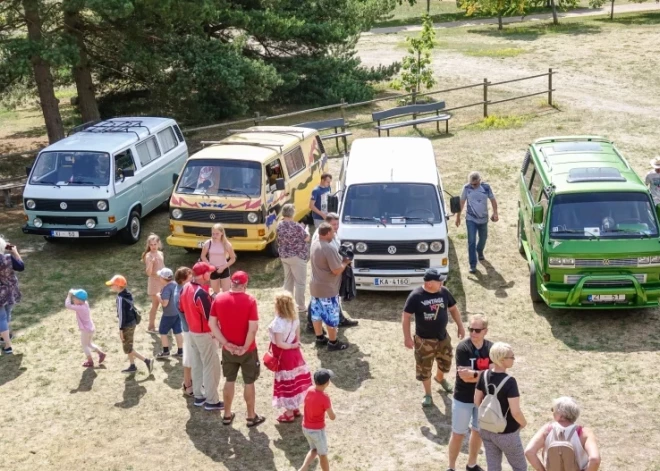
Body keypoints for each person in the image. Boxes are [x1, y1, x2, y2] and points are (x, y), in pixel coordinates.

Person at [209, 271, 266, 427]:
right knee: (249, 382)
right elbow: (253, 329)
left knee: (229, 380)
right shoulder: (250, 301)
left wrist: (226, 344)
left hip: (229, 350)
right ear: (245, 285)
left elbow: (212, 324)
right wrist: (245, 347)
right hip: (247, 350)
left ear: (231, 283)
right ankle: (250, 416)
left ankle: (227, 414)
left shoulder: (219, 298)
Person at [402, 268, 465, 407]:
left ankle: (440, 378)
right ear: (429, 284)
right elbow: (406, 316)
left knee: (446, 362)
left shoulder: (444, 292)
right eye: (439, 281)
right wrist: (407, 337)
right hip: (424, 341)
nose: (442, 282)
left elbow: (453, 308)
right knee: (424, 368)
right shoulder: (416, 296)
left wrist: (460, 326)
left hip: (443, 337)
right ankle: (428, 394)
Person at [447, 314, 493, 471]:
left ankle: (471, 464)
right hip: (463, 398)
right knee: (458, 434)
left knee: (478, 432)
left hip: (482, 399)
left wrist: (474, 374)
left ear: (485, 331)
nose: (473, 333)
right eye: (470, 329)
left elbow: (494, 375)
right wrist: (485, 373)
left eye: (477, 330)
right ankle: (451, 467)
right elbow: (464, 377)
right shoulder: (463, 347)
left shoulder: (491, 348)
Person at [474, 342, 527, 471]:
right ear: (502, 360)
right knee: (520, 467)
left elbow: (476, 401)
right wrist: (523, 423)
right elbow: (515, 412)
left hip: (486, 429)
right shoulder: (510, 382)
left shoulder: (484, 375)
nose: (513, 359)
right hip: (506, 433)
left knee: (493, 467)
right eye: (511, 357)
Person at [178, 262, 223, 410]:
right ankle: (212, 400)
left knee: (197, 363)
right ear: (203, 275)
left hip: (192, 332)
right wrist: (218, 335)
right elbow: (211, 317)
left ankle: (198, 396)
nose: (210, 274)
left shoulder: (185, 288)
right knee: (211, 366)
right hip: (204, 334)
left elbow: (181, 309)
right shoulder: (201, 293)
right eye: (208, 272)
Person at [307, 212, 358, 330]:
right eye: (333, 225)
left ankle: (339, 319)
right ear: (327, 225)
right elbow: (324, 256)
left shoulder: (332, 234)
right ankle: (312, 323)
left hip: (332, 272)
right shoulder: (321, 238)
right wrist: (344, 262)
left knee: (326, 298)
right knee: (320, 299)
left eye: (337, 224)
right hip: (326, 275)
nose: (336, 227)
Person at [268, 292, 312, 423]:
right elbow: (297, 335)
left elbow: (280, 343)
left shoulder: (278, 323)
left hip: (284, 354)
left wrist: (291, 347)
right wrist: (295, 345)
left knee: (287, 383)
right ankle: (295, 407)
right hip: (295, 353)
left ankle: (289, 413)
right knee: (296, 380)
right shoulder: (294, 318)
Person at [525, 397, 601, 471]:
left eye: (553, 410)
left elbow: (529, 452)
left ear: (560, 415)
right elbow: (595, 459)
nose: (552, 412)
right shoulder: (584, 432)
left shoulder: (547, 430)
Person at [309, 223, 351, 351]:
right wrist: (345, 262)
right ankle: (333, 343)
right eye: (332, 232)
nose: (334, 234)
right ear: (327, 233)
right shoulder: (328, 248)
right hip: (328, 289)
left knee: (316, 315)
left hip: (315, 287)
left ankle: (320, 338)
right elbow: (336, 270)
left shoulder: (314, 244)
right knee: (331, 318)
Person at [105, 275, 154, 374]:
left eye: (112, 285)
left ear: (118, 286)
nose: (111, 287)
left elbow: (121, 316)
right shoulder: (128, 294)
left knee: (127, 348)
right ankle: (132, 366)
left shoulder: (120, 298)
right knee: (129, 345)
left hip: (126, 325)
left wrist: (121, 330)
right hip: (132, 323)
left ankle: (147, 361)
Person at [455, 171, 499, 274]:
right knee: (471, 241)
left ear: (480, 180)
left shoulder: (486, 187)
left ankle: (479, 250)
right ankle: (473, 265)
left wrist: (495, 213)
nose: (472, 186)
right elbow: (462, 202)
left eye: (475, 184)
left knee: (483, 238)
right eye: (471, 183)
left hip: (483, 219)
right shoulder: (466, 188)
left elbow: (493, 200)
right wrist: (458, 217)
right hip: (471, 219)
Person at [298, 368, 337, 471]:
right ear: (327, 383)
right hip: (317, 431)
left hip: (306, 428)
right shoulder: (325, 398)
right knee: (323, 454)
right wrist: (330, 405)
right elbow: (332, 417)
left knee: (314, 449)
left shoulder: (309, 390)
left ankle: (303, 468)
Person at [277, 203, 310, 313]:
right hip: (296, 256)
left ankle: (287, 305)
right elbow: (307, 238)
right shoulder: (296, 226)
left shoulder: (279, 225)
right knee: (300, 283)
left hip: (284, 256)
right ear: (292, 213)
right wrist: (306, 229)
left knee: (288, 281)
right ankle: (300, 306)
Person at [65, 289, 106, 368]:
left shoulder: (80, 308)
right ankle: (101, 354)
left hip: (85, 330)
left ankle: (90, 361)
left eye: (74, 298)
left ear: (80, 300)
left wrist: (69, 295)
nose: (73, 299)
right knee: (89, 344)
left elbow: (68, 305)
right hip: (91, 328)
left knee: (84, 346)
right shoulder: (85, 304)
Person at [155, 267, 184, 359]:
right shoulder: (176, 284)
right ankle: (181, 351)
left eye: (160, 277)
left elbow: (165, 303)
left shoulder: (166, 289)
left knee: (163, 332)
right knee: (178, 331)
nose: (159, 278)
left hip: (168, 315)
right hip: (177, 312)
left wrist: (158, 297)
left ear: (163, 279)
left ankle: (166, 351)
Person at [200, 223, 237, 294]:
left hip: (224, 269)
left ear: (222, 233)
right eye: (213, 234)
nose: (214, 236)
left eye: (217, 234)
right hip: (212, 270)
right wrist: (209, 266)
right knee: (215, 293)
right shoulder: (208, 243)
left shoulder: (226, 244)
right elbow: (203, 256)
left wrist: (223, 267)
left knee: (226, 293)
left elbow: (233, 258)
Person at [175, 267, 194, 397]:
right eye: (190, 278)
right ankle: (187, 385)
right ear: (182, 280)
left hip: (188, 329)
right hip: (189, 331)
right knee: (189, 360)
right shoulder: (180, 294)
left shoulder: (182, 290)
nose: (193, 279)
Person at [0, 237, 22, 355]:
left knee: (1, 317)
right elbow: (21, 266)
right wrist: (14, 251)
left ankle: (7, 344)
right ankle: (5, 338)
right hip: (11, 290)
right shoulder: (8, 259)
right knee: (7, 314)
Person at [141, 233, 165, 333]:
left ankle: (166, 325)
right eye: (151, 245)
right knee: (155, 305)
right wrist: (151, 263)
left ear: (158, 244)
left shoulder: (160, 253)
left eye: (155, 244)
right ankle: (151, 326)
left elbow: (162, 266)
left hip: (163, 282)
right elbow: (148, 273)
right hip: (154, 283)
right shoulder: (148, 256)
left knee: (165, 305)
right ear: (149, 245)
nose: (153, 247)